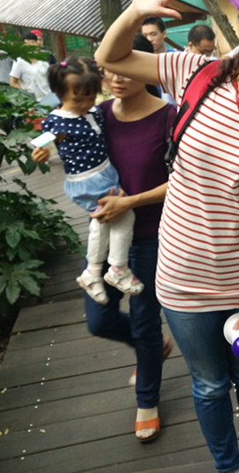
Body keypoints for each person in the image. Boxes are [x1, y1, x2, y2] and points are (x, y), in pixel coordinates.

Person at [95, 0, 239, 473]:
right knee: (210, 384)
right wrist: (138, 10)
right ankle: (227, 465)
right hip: (181, 275)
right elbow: (112, 58)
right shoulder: (196, 72)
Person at [33, 41, 176, 443]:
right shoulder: (96, 113)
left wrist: (129, 202)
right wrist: (45, 151)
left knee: (145, 321)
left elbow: (184, 181)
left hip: (152, 235)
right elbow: (62, 132)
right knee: (99, 320)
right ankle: (152, 347)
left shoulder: (170, 117)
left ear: (149, 66)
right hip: (107, 232)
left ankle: (147, 400)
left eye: (126, 67)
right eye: (108, 68)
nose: (116, 77)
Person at [32, 57, 144, 305]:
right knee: (121, 216)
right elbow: (42, 145)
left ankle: (94, 272)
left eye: (90, 97)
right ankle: (115, 268)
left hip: (104, 173)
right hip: (86, 180)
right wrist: (41, 154)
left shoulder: (94, 112)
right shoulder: (58, 120)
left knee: (105, 220)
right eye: (77, 99)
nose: (84, 104)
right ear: (60, 93)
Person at [10, 32, 57, 106]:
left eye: (33, 42)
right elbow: (13, 83)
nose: (30, 45)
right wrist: (24, 93)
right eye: (27, 43)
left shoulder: (44, 59)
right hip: (31, 102)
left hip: (48, 98)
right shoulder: (19, 62)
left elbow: (51, 78)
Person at [140, 16, 176, 103]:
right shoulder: (140, 62)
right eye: (145, 35)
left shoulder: (177, 57)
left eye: (153, 34)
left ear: (164, 34)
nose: (149, 39)